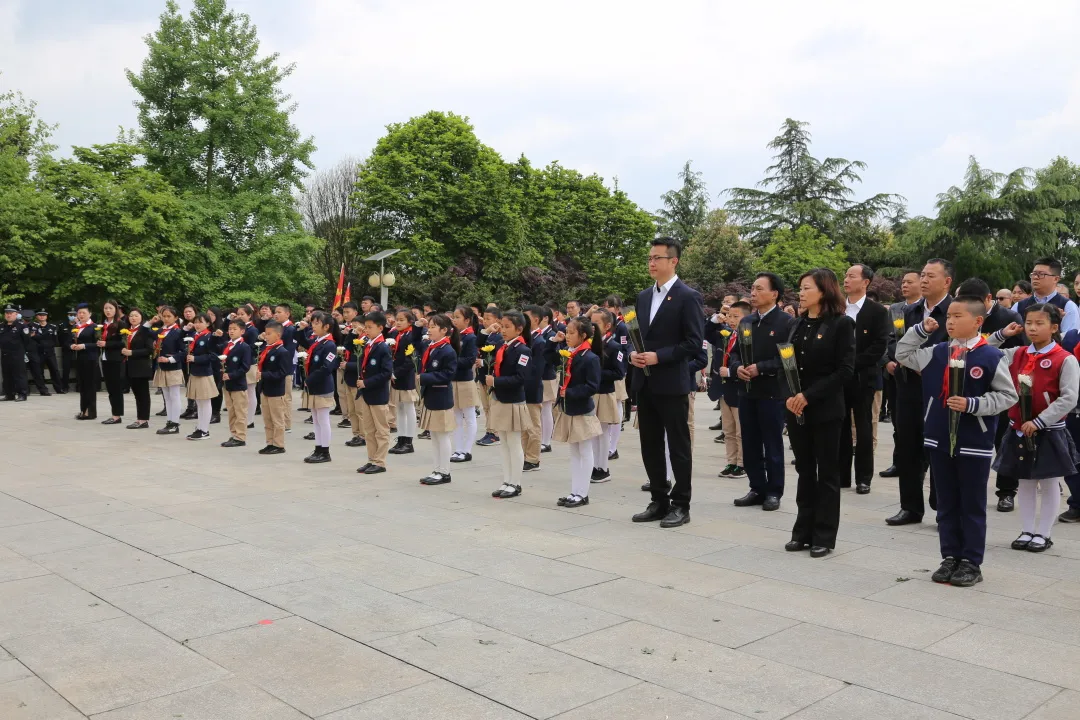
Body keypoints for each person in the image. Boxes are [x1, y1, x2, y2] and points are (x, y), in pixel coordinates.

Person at [896, 295, 1018, 587]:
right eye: (948, 316)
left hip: (973, 441)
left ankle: (971, 561)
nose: (950, 321)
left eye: (957, 316)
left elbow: (1008, 395)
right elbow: (902, 354)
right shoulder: (936, 351)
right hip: (939, 438)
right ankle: (949, 555)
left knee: (972, 504)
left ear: (977, 321)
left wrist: (973, 404)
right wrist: (920, 330)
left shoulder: (990, 356)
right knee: (947, 503)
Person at [629, 237, 705, 529]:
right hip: (645, 381)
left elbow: (694, 344)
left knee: (678, 444)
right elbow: (636, 336)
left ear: (673, 261)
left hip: (672, 381)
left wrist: (658, 357)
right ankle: (658, 499)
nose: (651, 262)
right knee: (649, 443)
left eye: (657, 257)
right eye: (649, 257)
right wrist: (634, 354)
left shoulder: (688, 296)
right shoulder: (644, 296)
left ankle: (681, 503)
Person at [990, 305, 1078, 552]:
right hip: (1019, 427)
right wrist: (1002, 335)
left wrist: (1040, 421)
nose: (1032, 328)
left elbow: (1068, 398)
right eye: (1029, 323)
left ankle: (1044, 533)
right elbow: (984, 351)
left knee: (1049, 483)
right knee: (1025, 481)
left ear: (1054, 327)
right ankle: (1027, 529)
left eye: (1039, 323)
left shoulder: (1065, 358)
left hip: (1048, 430)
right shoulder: (1018, 353)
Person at [783, 268, 855, 557]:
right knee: (804, 469)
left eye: (807, 288)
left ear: (824, 291)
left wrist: (808, 396)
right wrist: (790, 396)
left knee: (826, 472)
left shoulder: (841, 324)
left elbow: (844, 370)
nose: (801, 293)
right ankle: (802, 531)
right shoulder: (797, 324)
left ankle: (824, 535)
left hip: (824, 408)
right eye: (800, 288)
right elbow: (784, 363)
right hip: (796, 407)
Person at [887, 259, 954, 525]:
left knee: (939, 449)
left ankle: (942, 507)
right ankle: (910, 507)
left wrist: (926, 365)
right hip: (907, 388)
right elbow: (893, 343)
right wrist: (899, 360)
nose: (924, 280)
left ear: (947, 281)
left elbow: (958, 347)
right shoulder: (908, 312)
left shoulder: (954, 312)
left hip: (940, 392)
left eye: (930, 276)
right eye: (922, 275)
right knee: (908, 447)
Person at [729, 272, 797, 512]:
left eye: (759, 289)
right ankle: (756, 487)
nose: (753, 293)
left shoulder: (786, 323)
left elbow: (788, 358)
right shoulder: (747, 322)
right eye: (752, 288)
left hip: (772, 392)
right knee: (750, 441)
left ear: (774, 294)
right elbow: (735, 352)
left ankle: (774, 491)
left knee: (772, 443)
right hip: (747, 391)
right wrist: (737, 368)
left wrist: (761, 368)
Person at [956, 277, 1024, 512]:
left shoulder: (1009, 318)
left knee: (1003, 441)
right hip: (967, 390)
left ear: (988, 300)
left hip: (1000, 389)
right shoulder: (959, 317)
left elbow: (1022, 353)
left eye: (973, 302)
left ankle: (1006, 491)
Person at [839, 265, 890, 494]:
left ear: (866, 282)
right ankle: (841, 475)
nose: (846, 280)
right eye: (845, 276)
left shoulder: (877, 311)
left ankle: (863, 478)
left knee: (863, 427)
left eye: (852, 276)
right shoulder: (837, 308)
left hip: (863, 377)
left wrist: (851, 364)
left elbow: (880, 346)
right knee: (840, 426)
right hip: (838, 379)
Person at [553, 316, 603, 507]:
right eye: (567, 332)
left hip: (582, 410)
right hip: (569, 409)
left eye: (571, 333)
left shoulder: (590, 357)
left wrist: (570, 392)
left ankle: (583, 493)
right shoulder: (568, 354)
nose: (567, 336)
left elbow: (592, 386)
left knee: (585, 450)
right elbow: (548, 356)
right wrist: (554, 342)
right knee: (574, 451)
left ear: (583, 335)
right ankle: (574, 491)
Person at [485, 310, 533, 498]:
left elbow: (520, 378)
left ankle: (516, 483)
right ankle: (507, 480)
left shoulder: (523, 350)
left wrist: (496, 382)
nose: (503, 330)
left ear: (519, 329)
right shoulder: (503, 346)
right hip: (500, 399)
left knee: (513, 443)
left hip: (513, 401)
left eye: (507, 327)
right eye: (502, 326)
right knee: (503, 442)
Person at [880, 270, 922, 479]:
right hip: (894, 372)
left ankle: (920, 463)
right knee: (899, 422)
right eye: (903, 282)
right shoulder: (895, 309)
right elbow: (886, 338)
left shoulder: (923, 310)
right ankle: (899, 461)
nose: (904, 285)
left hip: (917, 373)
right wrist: (887, 361)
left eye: (909, 282)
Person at [418, 314, 459, 485]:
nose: (430, 329)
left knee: (442, 436)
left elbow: (448, 375)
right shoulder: (432, 346)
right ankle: (437, 469)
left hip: (441, 396)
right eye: (429, 326)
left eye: (434, 326)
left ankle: (445, 471)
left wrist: (424, 378)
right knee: (434, 436)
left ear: (444, 330)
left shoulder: (447, 350)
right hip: (431, 395)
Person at [710, 302, 748, 478]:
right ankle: (731, 462)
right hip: (724, 390)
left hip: (740, 389)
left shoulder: (747, 337)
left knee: (742, 431)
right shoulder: (725, 335)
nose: (732, 320)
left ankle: (743, 463)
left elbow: (746, 363)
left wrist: (732, 371)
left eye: (736, 316)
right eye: (730, 316)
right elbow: (705, 333)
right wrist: (715, 319)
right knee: (728, 430)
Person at [588, 309, 625, 483]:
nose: (592, 327)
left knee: (602, 433)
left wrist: (595, 374)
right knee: (593, 433)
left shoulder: (614, 346)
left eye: (597, 323)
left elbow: (619, 372)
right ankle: (596, 465)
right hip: (593, 392)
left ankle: (603, 468)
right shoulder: (590, 344)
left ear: (608, 325)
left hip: (604, 393)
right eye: (591, 323)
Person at [355, 311, 393, 474]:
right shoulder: (368, 345)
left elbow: (386, 373)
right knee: (369, 430)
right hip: (366, 394)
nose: (367, 330)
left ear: (380, 328)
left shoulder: (383, 347)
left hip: (377, 394)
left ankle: (380, 461)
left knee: (381, 430)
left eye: (370, 327)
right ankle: (371, 459)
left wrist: (366, 382)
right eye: (366, 327)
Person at [301, 311, 339, 463]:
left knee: (323, 419)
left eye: (317, 323)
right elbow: (302, 341)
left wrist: (309, 380)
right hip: (313, 385)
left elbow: (326, 367)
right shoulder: (317, 341)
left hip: (322, 385)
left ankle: (325, 451)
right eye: (313, 323)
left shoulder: (329, 344)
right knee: (316, 419)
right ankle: (318, 448)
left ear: (327, 326)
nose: (313, 326)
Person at [1015, 257, 1079, 335]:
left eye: (1041, 274)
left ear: (1055, 279)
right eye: (1034, 274)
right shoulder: (1018, 306)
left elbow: (1069, 340)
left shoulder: (1068, 306)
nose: (1035, 277)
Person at [389, 309, 422, 455]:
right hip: (396, 375)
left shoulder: (411, 336)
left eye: (402, 320)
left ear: (410, 322)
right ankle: (401, 439)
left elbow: (411, 360)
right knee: (400, 408)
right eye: (397, 319)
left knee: (409, 408)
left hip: (405, 375)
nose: (398, 322)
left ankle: (409, 441)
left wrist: (396, 373)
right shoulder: (395, 334)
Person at [522, 306, 549, 473]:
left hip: (531, 389)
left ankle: (533, 459)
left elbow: (536, 371)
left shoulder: (539, 342)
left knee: (533, 426)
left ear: (536, 320)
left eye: (526, 318)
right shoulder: (526, 339)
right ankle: (524, 455)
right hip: (522, 390)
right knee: (524, 427)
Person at [184, 313, 219, 441]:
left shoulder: (210, 337)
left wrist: (195, 358)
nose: (197, 324)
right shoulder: (193, 335)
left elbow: (213, 356)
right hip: (195, 371)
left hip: (204, 372)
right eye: (196, 322)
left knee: (205, 402)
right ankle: (200, 427)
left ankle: (205, 430)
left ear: (208, 324)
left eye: (201, 322)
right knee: (199, 401)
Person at [256, 321, 290, 454]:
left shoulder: (282, 351)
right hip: (265, 389)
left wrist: (264, 374)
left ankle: (279, 444)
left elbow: (282, 373)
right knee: (268, 419)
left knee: (277, 419)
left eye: (269, 334)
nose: (266, 336)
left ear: (278, 334)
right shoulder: (267, 349)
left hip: (276, 390)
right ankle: (270, 442)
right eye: (266, 333)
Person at [152, 306, 185, 433]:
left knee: (174, 395)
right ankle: (169, 421)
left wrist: (170, 359)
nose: (166, 319)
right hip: (162, 367)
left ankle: (175, 423)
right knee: (166, 396)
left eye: (169, 316)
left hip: (173, 367)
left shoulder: (178, 332)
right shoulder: (160, 330)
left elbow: (183, 351)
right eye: (164, 316)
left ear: (176, 318)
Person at [220, 318, 252, 447]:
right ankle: (233, 434)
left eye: (235, 329)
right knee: (231, 411)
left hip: (238, 384)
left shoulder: (244, 347)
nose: (231, 331)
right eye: (230, 329)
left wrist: (232, 375)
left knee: (240, 411)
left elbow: (245, 367)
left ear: (242, 331)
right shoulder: (227, 345)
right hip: (227, 384)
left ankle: (240, 437)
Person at [120, 308, 153, 429]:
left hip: (141, 367)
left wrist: (131, 352)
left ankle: (143, 420)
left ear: (141, 318)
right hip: (130, 367)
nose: (133, 318)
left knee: (143, 395)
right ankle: (139, 419)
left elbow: (149, 350)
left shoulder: (145, 331)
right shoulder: (127, 331)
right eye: (131, 316)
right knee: (137, 395)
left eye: (136, 316)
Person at [476, 306, 504, 447]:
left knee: (492, 406)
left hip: (491, 375)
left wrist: (484, 361)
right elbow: (478, 343)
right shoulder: (487, 334)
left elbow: (499, 357)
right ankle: (489, 430)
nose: (485, 321)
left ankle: (495, 433)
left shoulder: (500, 337)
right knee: (486, 406)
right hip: (482, 375)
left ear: (498, 320)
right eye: (484, 318)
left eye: (489, 319)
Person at [70, 304, 101, 418]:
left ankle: (91, 411)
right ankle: (83, 409)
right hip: (80, 359)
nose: (81, 315)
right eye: (79, 313)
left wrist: (84, 346)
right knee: (82, 385)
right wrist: (72, 345)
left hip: (91, 358)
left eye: (84, 312)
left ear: (90, 314)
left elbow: (98, 344)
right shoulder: (76, 327)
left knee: (90, 386)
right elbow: (70, 340)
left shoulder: (95, 327)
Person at [99, 299, 127, 425]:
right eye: (106, 308)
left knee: (116, 388)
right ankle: (114, 414)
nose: (108, 311)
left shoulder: (120, 324)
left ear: (116, 309)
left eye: (110, 308)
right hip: (105, 357)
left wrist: (107, 344)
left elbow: (123, 342)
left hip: (116, 358)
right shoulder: (102, 324)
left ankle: (117, 415)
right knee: (110, 387)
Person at [341, 316, 367, 449]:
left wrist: (348, 365)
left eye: (356, 325)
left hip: (358, 378)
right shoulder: (355, 339)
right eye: (352, 325)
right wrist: (351, 334)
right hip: (349, 378)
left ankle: (363, 435)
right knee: (351, 410)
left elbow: (362, 362)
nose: (354, 328)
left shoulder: (366, 341)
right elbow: (346, 347)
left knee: (360, 410)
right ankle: (356, 433)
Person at [0, 305, 29, 402]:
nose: (8, 315)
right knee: (7, 375)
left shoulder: (22, 326)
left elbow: (26, 340)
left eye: (11, 313)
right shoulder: (2, 326)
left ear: (16, 314)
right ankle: (9, 394)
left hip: (17, 354)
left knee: (19, 374)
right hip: (5, 354)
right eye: (7, 313)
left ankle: (22, 394)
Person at [32, 310, 62, 394]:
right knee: (39, 371)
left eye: (44, 315)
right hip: (38, 352)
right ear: (37, 316)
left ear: (46, 316)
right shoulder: (33, 327)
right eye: (40, 315)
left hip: (50, 352)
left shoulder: (52, 327)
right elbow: (31, 338)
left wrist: (39, 338)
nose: (42, 316)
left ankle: (59, 388)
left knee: (54, 370)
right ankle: (43, 390)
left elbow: (55, 340)